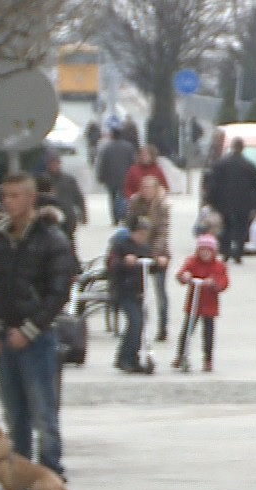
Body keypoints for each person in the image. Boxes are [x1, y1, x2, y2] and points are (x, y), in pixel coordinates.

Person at [0, 173, 75, 476]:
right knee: (14, 414)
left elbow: (59, 292)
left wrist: (31, 329)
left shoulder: (50, 238)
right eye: (4, 196)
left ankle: (50, 472)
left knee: (43, 411)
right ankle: (18, 475)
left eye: (14, 195)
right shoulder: (0, 239)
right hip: (5, 334)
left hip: (37, 337)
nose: (7, 202)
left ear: (31, 198)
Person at [125, 175, 173, 341]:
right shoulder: (135, 203)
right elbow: (129, 226)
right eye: (143, 187)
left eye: (149, 188)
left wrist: (155, 253)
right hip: (138, 249)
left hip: (157, 251)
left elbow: (163, 231)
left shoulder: (162, 205)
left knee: (160, 291)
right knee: (138, 291)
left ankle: (163, 326)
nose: (146, 191)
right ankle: (139, 326)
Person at [109, 217, 156, 375]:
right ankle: (125, 358)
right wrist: (124, 262)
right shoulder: (121, 246)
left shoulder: (145, 248)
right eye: (140, 234)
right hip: (124, 291)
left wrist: (160, 262)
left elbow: (152, 265)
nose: (143, 237)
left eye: (145, 234)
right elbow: (112, 264)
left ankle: (132, 358)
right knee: (135, 322)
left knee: (140, 324)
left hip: (139, 292)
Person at [175, 234, 229, 372]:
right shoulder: (192, 262)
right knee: (187, 330)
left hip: (210, 304)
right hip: (194, 303)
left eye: (208, 250)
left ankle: (208, 359)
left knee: (208, 333)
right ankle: (180, 355)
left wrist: (214, 283)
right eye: (202, 250)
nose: (205, 253)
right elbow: (182, 273)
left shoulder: (218, 266)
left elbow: (224, 282)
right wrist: (185, 276)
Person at [205, 138, 256, 264]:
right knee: (241, 228)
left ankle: (225, 251)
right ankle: (238, 253)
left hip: (223, 203)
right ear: (243, 148)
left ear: (232, 147)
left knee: (226, 226)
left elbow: (213, 184)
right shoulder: (249, 165)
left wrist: (210, 201)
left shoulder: (220, 164)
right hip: (243, 203)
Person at [96, 131, 136, 226]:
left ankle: (115, 219)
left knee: (112, 198)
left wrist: (101, 177)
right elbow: (133, 162)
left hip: (111, 178)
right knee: (125, 197)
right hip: (125, 177)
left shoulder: (107, 148)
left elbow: (103, 163)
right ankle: (124, 215)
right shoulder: (128, 147)